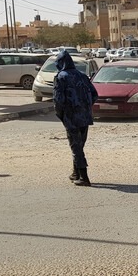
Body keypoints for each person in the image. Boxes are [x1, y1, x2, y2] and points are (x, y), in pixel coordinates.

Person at [53, 49, 99, 187]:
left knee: (76, 147)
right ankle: (76, 173)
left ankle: (84, 177)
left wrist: (61, 114)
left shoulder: (61, 77)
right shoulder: (82, 75)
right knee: (79, 145)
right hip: (85, 116)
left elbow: (58, 100)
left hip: (71, 117)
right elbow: (94, 94)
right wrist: (85, 107)